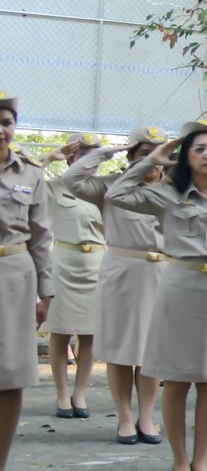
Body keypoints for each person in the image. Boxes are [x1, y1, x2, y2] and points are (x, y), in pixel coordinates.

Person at [107, 120, 207, 471]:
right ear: (184, 158)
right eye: (200, 149)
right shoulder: (168, 194)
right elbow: (116, 195)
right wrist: (151, 160)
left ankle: (201, 460)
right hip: (179, 288)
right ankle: (179, 462)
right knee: (177, 380)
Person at [61, 126, 169, 445]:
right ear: (132, 156)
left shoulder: (176, 189)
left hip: (162, 274)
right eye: (143, 153)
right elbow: (71, 180)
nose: (152, 160)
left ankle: (146, 416)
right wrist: (106, 152)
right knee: (121, 351)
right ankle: (124, 417)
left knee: (153, 352)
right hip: (121, 272)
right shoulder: (109, 187)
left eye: (158, 152)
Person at [0, 90, 54, 471]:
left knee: (10, 375)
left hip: (14, 276)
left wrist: (45, 291)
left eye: (6, 122)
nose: (1, 129)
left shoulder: (31, 174)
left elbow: (41, 237)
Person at [42, 133, 103, 419]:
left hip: (97, 263)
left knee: (90, 333)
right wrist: (50, 156)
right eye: (83, 155)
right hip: (65, 263)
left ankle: (80, 392)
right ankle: (62, 393)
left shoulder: (107, 188)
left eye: (95, 155)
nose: (89, 161)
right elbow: (23, 182)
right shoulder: (54, 187)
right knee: (61, 331)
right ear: (71, 158)